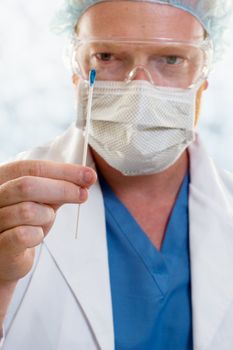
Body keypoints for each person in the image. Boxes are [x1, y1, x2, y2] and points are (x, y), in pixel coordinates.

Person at [0, 0, 233, 349]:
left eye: (170, 59)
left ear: (203, 77)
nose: (139, 90)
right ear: (76, 70)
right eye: (107, 56)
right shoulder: (10, 205)